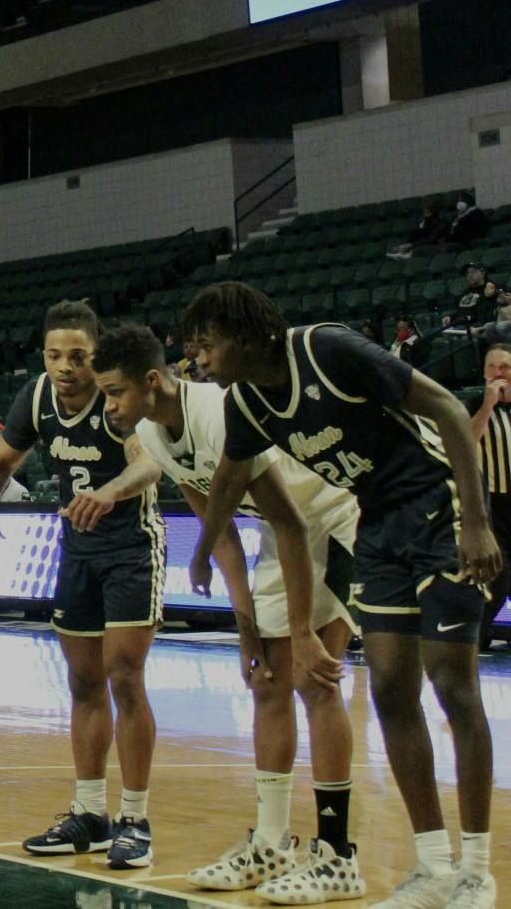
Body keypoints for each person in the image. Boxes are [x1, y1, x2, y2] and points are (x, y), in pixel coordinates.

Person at [183, 283, 501, 909]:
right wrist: (203, 546)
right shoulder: (247, 403)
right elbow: (227, 478)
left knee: (452, 685)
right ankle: (434, 868)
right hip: (377, 526)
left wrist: (477, 520)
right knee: (387, 687)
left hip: (439, 510)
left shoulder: (327, 349)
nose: (200, 363)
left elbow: (447, 410)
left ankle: (477, 870)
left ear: (245, 337)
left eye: (207, 347)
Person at [92, 323, 365, 902]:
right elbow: (221, 533)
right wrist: (246, 630)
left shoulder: (216, 414)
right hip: (281, 533)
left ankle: (338, 856)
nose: (108, 406)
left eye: (114, 392)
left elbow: (292, 521)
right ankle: (270, 842)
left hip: (336, 516)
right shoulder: (154, 432)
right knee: (268, 680)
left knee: (315, 680)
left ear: (151, 381)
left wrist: (298, 631)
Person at [0, 300, 165, 872]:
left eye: (77, 356)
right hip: (76, 551)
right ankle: (90, 814)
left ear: (96, 356)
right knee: (82, 681)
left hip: (131, 549)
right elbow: (2, 461)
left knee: (125, 677)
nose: (65, 366)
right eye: (55, 355)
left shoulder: (114, 397)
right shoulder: (35, 397)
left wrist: (111, 492)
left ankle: (135, 819)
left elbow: (149, 466)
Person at [473, 346, 511, 648]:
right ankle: (472, 639)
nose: (499, 372)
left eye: (506, 366)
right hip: (491, 503)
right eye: (493, 366)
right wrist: (487, 405)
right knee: (497, 581)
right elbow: (466, 440)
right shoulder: (475, 403)